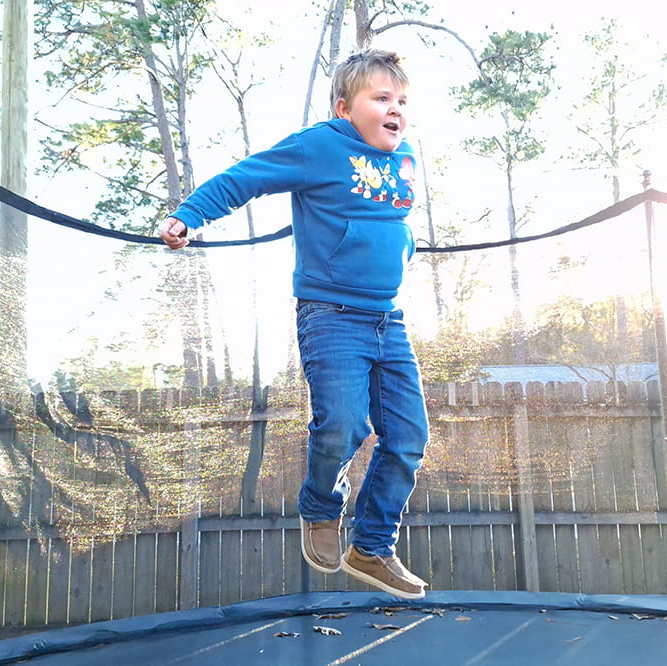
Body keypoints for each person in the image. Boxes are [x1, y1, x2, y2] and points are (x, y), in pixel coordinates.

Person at [159, 49, 430, 599]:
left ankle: (373, 547)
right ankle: (321, 510)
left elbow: (387, 223)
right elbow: (246, 178)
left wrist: (399, 250)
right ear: (343, 108)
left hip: (388, 318)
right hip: (332, 316)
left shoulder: (404, 163)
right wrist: (188, 215)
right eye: (380, 99)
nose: (395, 110)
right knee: (344, 425)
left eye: (401, 101)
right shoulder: (320, 146)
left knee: (407, 437)